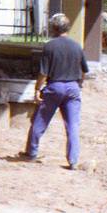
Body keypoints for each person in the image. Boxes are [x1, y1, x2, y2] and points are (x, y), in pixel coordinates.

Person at [24, 12, 89, 169]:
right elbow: (84, 70)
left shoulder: (50, 46)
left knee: (40, 120)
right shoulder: (77, 46)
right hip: (73, 88)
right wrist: (79, 84)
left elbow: (44, 73)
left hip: (55, 87)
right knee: (73, 125)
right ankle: (73, 161)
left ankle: (32, 153)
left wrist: (37, 89)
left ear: (53, 28)